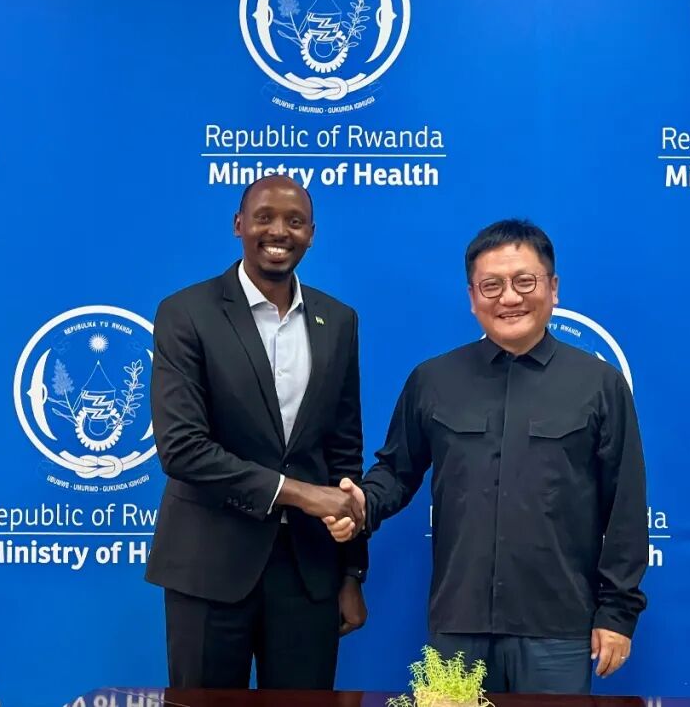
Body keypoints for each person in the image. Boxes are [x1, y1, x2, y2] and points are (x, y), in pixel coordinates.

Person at [325, 219, 647, 694]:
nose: (509, 298)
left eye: (525, 282)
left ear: (553, 288)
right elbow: (396, 471)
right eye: (491, 286)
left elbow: (625, 506)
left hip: (558, 625)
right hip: (458, 623)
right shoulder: (433, 380)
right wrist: (362, 505)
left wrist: (617, 613)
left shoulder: (599, 385)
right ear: (473, 297)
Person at [146, 175, 368, 690]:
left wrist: (352, 572)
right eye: (264, 217)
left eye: (295, 221)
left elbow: (345, 453)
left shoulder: (339, 321)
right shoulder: (186, 313)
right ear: (238, 224)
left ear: (312, 234)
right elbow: (182, 449)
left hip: (308, 572)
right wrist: (302, 495)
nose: (279, 231)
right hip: (208, 566)